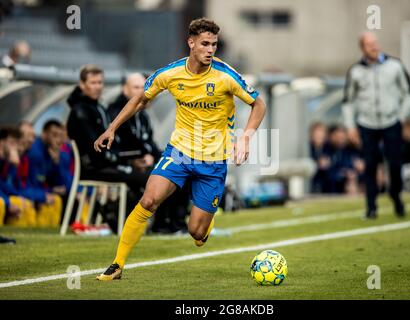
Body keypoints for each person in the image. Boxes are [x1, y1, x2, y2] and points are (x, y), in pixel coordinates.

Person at [94, 17, 266, 280]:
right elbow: (140, 99)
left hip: (213, 160)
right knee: (149, 199)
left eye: (214, 45)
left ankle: (204, 226)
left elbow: (259, 104)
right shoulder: (171, 74)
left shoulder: (226, 75)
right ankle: (117, 264)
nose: (210, 50)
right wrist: (112, 128)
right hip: (178, 153)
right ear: (191, 42)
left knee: (196, 233)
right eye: (205, 44)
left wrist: (245, 138)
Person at [342, 32, 410, 219]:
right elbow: (348, 101)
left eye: (375, 43)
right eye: (369, 44)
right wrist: (350, 126)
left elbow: (409, 93)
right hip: (367, 123)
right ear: (362, 48)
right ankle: (371, 206)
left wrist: (401, 116)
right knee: (370, 166)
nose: (374, 47)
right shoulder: (355, 71)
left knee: (395, 164)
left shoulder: (395, 65)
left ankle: (396, 195)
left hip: (391, 122)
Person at [66, 65, 149, 227]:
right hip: (92, 167)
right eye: (93, 82)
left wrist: (128, 160)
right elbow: (95, 148)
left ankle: (114, 214)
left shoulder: (98, 107)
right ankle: (116, 217)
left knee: (143, 177)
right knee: (144, 179)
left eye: (100, 82)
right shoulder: (80, 111)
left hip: (104, 163)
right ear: (82, 85)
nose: (98, 87)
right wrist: (123, 162)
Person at [108, 73, 189, 234]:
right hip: (123, 165)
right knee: (165, 177)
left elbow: (150, 145)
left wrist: (160, 155)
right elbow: (117, 145)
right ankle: (161, 224)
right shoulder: (117, 112)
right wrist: (135, 159)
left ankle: (176, 223)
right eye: (136, 87)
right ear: (125, 89)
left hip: (143, 162)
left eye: (143, 87)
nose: (142, 91)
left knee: (182, 166)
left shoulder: (143, 115)